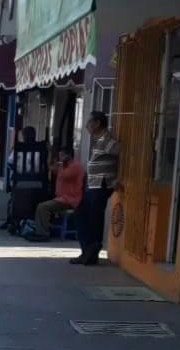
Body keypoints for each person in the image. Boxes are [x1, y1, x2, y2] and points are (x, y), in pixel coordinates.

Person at [73, 111, 119, 265]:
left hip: (102, 184)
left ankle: (92, 251)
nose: (87, 126)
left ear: (98, 123)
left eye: (89, 122)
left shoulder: (108, 139)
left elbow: (121, 154)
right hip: (93, 184)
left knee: (94, 217)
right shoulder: (98, 139)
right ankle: (86, 250)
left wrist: (117, 179)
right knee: (82, 214)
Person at [26, 147, 84, 241]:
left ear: (69, 155)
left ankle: (43, 233)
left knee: (43, 207)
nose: (60, 158)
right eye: (59, 156)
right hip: (61, 198)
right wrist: (50, 155)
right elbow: (51, 168)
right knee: (38, 202)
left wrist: (60, 165)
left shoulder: (74, 166)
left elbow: (64, 174)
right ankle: (39, 230)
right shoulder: (63, 166)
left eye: (62, 155)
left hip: (69, 199)